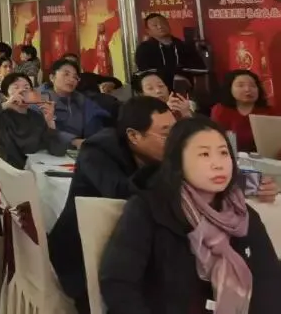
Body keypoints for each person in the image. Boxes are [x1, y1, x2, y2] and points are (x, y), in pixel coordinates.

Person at [100, 116, 281, 314]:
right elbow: (118, 284)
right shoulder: (149, 209)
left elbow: (270, 279)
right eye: (204, 154)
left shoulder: (242, 213)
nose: (218, 164)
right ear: (178, 162)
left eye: (224, 153)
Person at [48, 95, 175, 311]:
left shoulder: (163, 153)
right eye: (166, 134)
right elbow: (122, 194)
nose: (175, 141)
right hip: (83, 256)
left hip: (136, 249)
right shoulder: (97, 150)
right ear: (133, 136)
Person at [0, 72, 67, 169]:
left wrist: (50, 121)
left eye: (27, 88)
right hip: (7, 171)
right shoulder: (0, 114)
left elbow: (58, 150)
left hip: (34, 169)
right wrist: (6, 104)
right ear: (5, 95)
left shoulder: (37, 117)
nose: (22, 90)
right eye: (16, 87)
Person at [38, 58, 109, 147]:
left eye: (75, 77)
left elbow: (96, 128)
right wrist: (73, 141)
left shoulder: (82, 101)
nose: (71, 79)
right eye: (66, 74)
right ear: (52, 77)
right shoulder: (41, 100)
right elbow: (40, 131)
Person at [210, 70, 277, 153]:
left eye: (253, 85)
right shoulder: (220, 110)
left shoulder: (270, 112)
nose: (247, 89)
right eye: (240, 85)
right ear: (229, 88)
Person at [133, 12, 205, 86]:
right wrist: (173, 76)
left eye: (163, 23)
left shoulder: (183, 46)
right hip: (156, 89)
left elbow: (200, 69)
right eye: (155, 25)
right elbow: (145, 72)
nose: (160, 26)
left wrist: (181, 74)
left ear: (168, 25)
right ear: (148, 31)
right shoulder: (144, 49)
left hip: (182, 88)